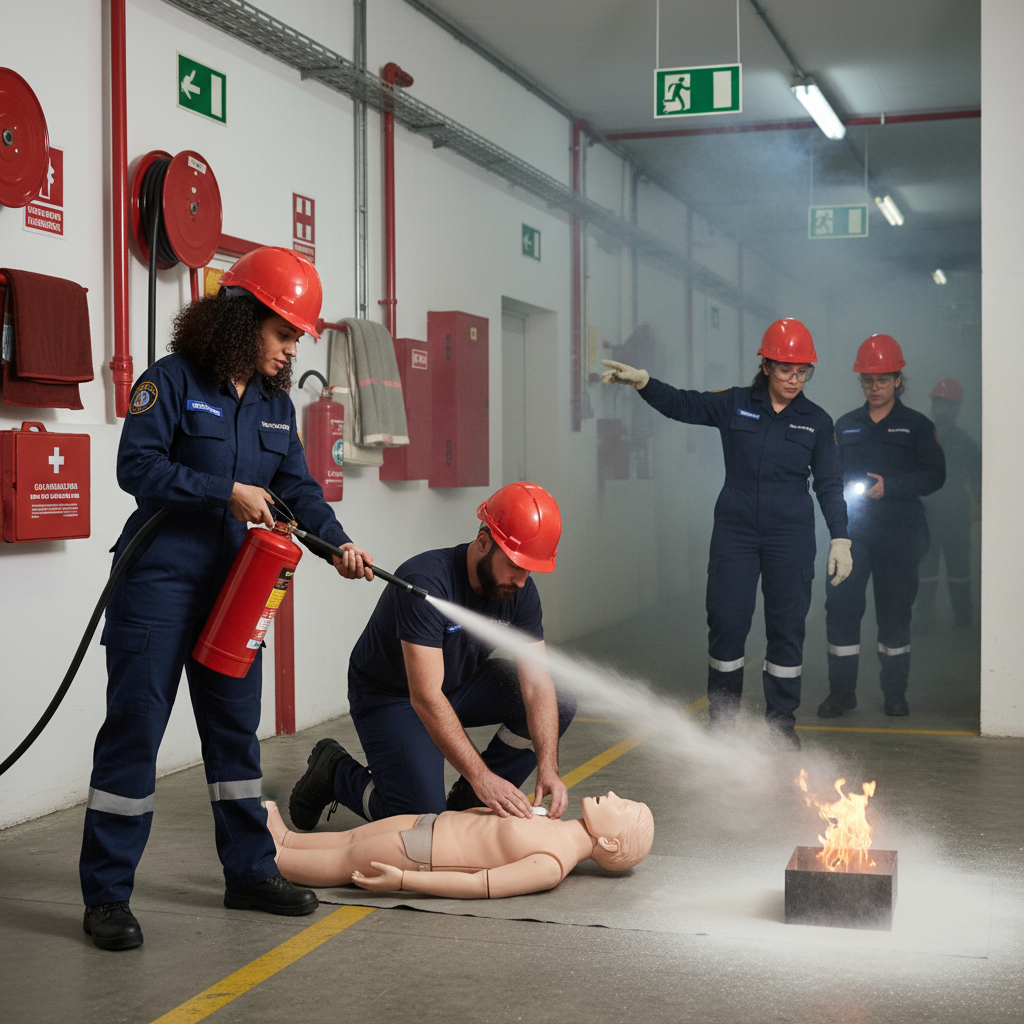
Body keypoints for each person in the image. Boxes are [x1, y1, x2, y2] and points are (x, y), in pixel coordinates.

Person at [79, 247, 374, 952]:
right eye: (284, 333)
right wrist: (225, 492)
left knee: (236, 737)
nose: (292, 349)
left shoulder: (276, 406)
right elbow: (137, 467)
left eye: (296, 337)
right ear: (243, 320)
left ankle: (249, 873)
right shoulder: (171, 381)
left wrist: (337, 544)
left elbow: (297, 489)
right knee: (134, 736)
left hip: (237, 593)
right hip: (158, 586)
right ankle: (107, 896)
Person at [601, 319, 851, 749]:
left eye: (803, 371)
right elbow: (684, 404)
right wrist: (644, 383)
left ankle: (780, 725)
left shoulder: (816, 421)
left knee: (787, 628)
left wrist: (841, 537)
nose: (795, 380)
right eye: (786, 369)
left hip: (790, 538)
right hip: (736, 534)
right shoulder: (735, 403)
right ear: (766, 366)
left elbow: (829, 484)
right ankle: (722, 723)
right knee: (727, 623)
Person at [289, 482, 577, 830]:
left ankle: (470, 800)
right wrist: (482, 775)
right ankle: (334, 771)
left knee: (560, 700)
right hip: (393, 697)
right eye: (515, 565)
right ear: (483, 542)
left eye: (530, 569)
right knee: (423, 823)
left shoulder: (519, 590)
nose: (521, 580)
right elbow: (425, 697)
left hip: (457, 684)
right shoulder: (425, 581)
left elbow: (537, 684)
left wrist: (548, 767)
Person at [819, 335, 946, 719]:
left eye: (883, 379)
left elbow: (935, 475)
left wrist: (892, 486)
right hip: (853, 533)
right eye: (868, 380)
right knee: (841, 609)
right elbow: (829, 475)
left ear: (898, 380)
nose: (875, 387)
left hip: (900, 532)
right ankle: (842, 693)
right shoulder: (845, 425)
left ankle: (894, 693)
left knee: (894, 613)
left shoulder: (917, 426)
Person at [266, 791, 654, 898]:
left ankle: (271, 861)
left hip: (420, 855)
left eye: (621, 806)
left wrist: (403, 880)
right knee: (349, 837)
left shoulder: (552, 865)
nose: (612, 795)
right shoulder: (553, 820)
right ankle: (286, 839)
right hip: (430, 823)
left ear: (608, 842)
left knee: (345, 860)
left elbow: (478, 884)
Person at [915, 379, 981, 631]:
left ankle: (963, 616)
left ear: (957, 409)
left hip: (955, 512)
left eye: (950, 405)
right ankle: (925, 618)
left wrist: (979, 503)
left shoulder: (966, 443)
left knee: (959, 568)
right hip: (926, 512)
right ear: (933, 405)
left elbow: (977, 477)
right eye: (940, 404)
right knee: (926, 569)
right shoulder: (920, 438)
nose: (945, 409)